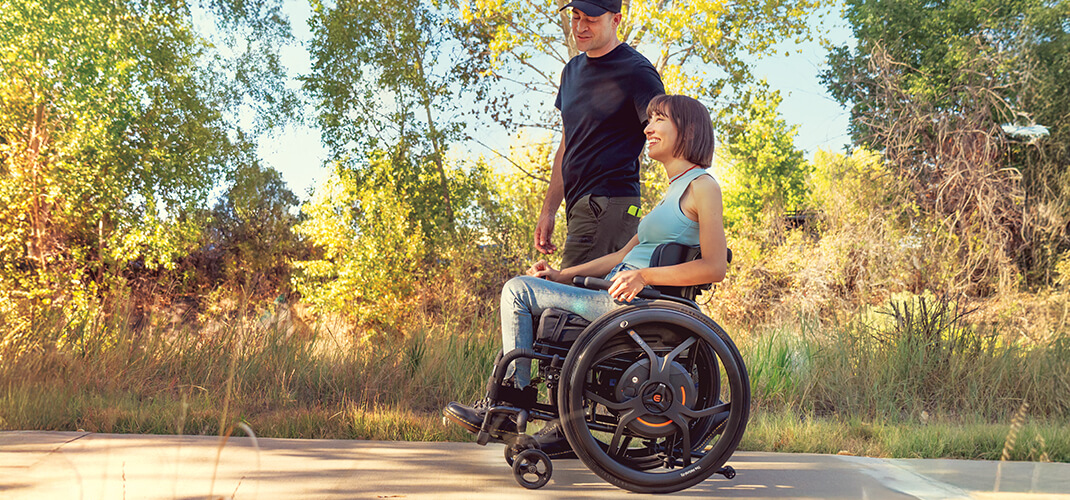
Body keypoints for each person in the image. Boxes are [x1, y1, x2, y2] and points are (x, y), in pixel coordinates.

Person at [444, 94, 728, 458]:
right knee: (533, 296)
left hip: (632, 305)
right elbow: (620, 256)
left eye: (659, 120)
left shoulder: (703, 187)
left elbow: (714, 267)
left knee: (517, 291)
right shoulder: (672, 193)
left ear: (687, 130)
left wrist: (643, 276)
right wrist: (562, 275)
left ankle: (511, 404)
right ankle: (515, 404)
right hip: (619, 296)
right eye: (650, 119)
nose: (648, 128)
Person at [535, 0, 665, 268]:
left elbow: (666, 131)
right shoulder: (570, 72)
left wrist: (685, 201)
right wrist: (549, 210)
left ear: (615, 21)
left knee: (568, 297)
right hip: (580, 205)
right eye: (575, 17)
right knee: (585, 302)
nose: (580, 27)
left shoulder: (636, 71)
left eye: (591, 19)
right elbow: (566, 145)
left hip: (608, 202)